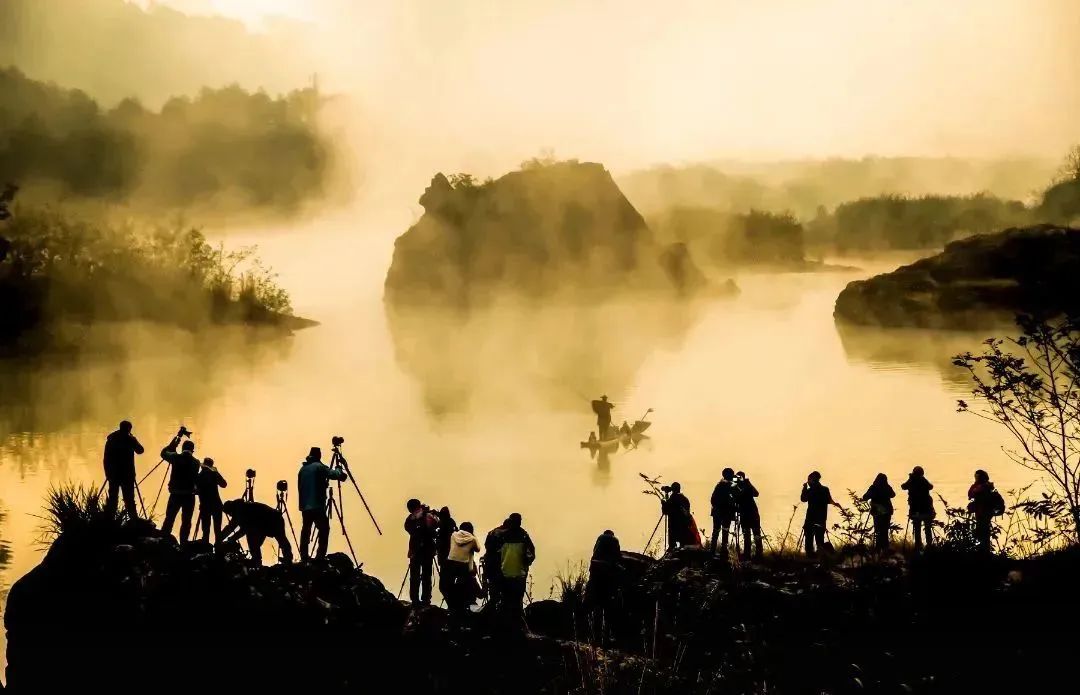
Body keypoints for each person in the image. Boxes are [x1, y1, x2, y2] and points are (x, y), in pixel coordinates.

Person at [297, 447, 347, 561]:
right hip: (317, 505)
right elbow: (335, 475)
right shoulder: (319, 467)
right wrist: (339, 468)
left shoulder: (302, 469)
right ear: (319, 455)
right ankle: (320, 557)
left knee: (306, 530)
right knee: (324, 529)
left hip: (305, 506)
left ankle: (304, 557)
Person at [160, 428, 202, 542]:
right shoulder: (196, 462)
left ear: (182, 448)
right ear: (192, 450)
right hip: (189, 495)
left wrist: (176, 440)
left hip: (175, 494)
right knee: (186, 521)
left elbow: (164, 453)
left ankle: (164, 540)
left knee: (170, 518)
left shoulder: (175, 457)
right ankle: (183, 543)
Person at [220, 499, 293, 564]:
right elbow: (231, 527)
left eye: (229, 513)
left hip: (274, 519)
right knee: (255, 541)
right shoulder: (239, 510)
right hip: (264, 523)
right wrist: (220, 538)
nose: (230, 516)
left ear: (231, 509)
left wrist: (232, 538)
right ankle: (257, 560)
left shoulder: (242, 510)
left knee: (280, 539)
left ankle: (287, 559)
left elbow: (244, 529)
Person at [497, 512, 536, 626]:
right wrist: (526, 564)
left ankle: (505, 625)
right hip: (520, 574)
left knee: (506, 600)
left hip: (504, 573)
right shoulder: (524, 536)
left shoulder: (502, 535)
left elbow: (495, 554)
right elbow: (531, 554)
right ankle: (518, 625)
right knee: (517, 601)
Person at [102, 420, 144, 521]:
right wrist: (134, 438)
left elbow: (106, 458)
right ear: (129, 429)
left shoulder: (111, 439)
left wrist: (107, 473)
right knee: (129, 499)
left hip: (113, 475)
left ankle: (110, 519)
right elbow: (140, 450)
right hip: (127, 475)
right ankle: (133, 520)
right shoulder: (130, 439)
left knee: (113, 498)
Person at [404, 499, 439, 606]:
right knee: (426, 576)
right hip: (427, 550)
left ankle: (415, 599)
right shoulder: (427, 516)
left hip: (415, 550)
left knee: (415, 576)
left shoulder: (410, 520)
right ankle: (425, 599)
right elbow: (436, 524)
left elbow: (408, 529)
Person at [586, 529, 622, 634]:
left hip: (595, 568)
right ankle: (607, 629)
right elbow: (617, 557)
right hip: (606, 569)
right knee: (607, 600)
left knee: (594, 597)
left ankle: (592, 626)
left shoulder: (599, 538)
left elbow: (594, 552)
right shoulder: (615, 540)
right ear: (612, 534)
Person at [444, 520, 481, 619]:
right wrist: (474, 537)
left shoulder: (453, 535)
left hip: (450, 563)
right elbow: (478, 549)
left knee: (451, 586)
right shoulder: (472, 539)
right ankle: (466, 606)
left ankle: (453, 607)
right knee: (465, 585)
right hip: (463, 564)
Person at [801, 471, 841, 557]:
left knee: (809, 539)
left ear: (812, 480)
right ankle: (823, 556)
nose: (808, 481)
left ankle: (810, 557)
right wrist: (835, 504)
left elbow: (803, 499)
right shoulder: (825, 489)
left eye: (809, 479)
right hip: (821, 518)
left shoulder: (810, 490)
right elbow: (829, 500)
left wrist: (804, 488)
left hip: (810, 518)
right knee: (820, 539)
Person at [968, 469, 1004, 553]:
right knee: (983, 534)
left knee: (983, 534)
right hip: (984, 513)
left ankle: (984, 552)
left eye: (977, 477)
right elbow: (971, 495)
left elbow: (971, 494)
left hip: (984, 513)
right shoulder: (987, 487)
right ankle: (984, 551)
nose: (976, 479)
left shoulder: (983, 487)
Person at [901, 466, 936, 551]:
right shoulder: (923, 480)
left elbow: (903, 486)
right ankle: (929, 546)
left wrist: (911, 478)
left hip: (916, 510)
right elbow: (930, 486)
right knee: (927, 528)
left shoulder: (912, 480)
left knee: (917, 529)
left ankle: (918, 547)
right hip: (926, 509)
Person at [195, 457, 227, 544]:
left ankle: (206, 546)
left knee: (205, 530)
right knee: (217, 529)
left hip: (205, 505)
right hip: (216, 505)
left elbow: (195, 491)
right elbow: (224, 484)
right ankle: (218, 546)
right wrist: (216, 472)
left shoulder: (199, 476)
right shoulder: (214, 474)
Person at [862, 473, 896, 552]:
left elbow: (865, 497)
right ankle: (885, 548)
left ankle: (878, 548)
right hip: (887, 512)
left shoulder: (874, 487)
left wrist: (873, 495)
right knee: (884, 530)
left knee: (878, 530)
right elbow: (893, 494)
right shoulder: (887, 487)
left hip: (877, 512)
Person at [735, 472, 763, 561]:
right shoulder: (739, 486)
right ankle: (749, 555)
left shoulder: (747, 486)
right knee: (748, 535)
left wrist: (748, 483)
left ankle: (757, 554)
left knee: (755, 535)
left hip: (751, 514)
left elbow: (756, 494)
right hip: (747, 514)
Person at [709, 469, 737, 555]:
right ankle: (723, 552)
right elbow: (736, 498)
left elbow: (713, 500)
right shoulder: (731, 486)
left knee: (716, 532)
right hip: (726, 513)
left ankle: (712, 552)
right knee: (725, 532)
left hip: (718, 513)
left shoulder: (719, 485)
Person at [482, 519, 508, 606]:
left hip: (490, 564)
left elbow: (486, 546)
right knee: (504, 591)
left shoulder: (492, 532)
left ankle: (493, 608)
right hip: (501, 566)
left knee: (493, 589)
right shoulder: (507, 534)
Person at [662, 482, 692, 551]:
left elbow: (665, 511)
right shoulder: (685, 499)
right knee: (683, 544)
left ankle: (671, 549)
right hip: (684, 526)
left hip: (674, 526)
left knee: (672, 544)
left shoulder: (672, 498)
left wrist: (663, 503)